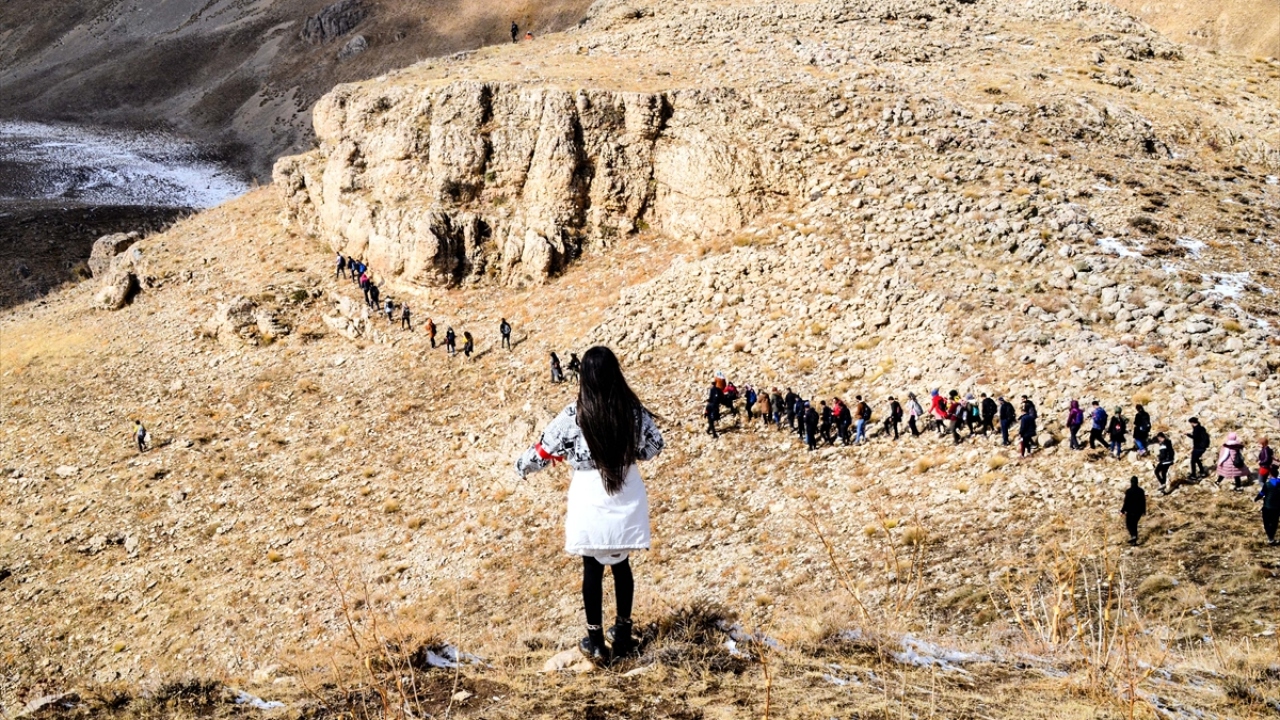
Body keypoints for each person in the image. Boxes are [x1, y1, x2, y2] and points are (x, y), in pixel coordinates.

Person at [515, 346, 664, 663]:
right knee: (621, 564)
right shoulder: (633, 410)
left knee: (592, 567)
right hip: (625, 489)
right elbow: (654, 447)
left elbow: (543, 451)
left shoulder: (573, 414)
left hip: (589, 495)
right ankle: (622, 633)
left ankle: (595, 640)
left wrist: (521, 467)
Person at [1255, 467, 1279, 546]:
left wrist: (1256, 499)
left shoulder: (1267, 484)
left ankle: (1270, 538)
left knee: (1267, 523)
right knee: (1274, 523)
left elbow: (1262, 494)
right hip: (1277, 507)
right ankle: (1271, 538)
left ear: (1270, 474)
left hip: (1267, 507)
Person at [1120, 476, 1146, 545]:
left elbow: (1126, 502)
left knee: (1129, 525)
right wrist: (1144, 511)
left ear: (1131, 482)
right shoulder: (1141, 491)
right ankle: (1134, 541)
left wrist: (1122, 511)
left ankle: (1133, 536)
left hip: (1131, 511)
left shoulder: (1129, 491)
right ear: (1137, 482)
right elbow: (1143, 501)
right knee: (1134, 525)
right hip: (1139, 511)